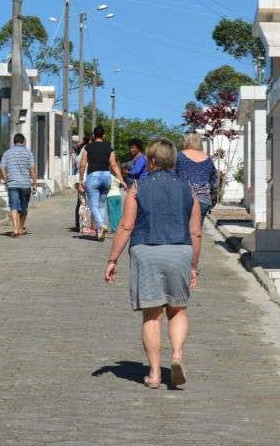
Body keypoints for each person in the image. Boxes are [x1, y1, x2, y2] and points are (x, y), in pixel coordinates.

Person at [104, 139, 202, 389]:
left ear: (151, 161)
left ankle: (155, 374)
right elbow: (196, 232)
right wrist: (193, 265)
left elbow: (126, 226)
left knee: (152, 314)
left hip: (145, 251)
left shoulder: (137, 188)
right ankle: (177, 355)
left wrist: (112, 259)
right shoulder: (188, 190)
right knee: (178, 309)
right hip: (179, 250)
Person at [78, 126, 126, 241]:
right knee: (102, 205)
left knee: (93, 205)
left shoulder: (87, 147)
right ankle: (100, 233)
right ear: (103, 136)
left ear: (94, 136)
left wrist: (80, 179)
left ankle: (101, 225)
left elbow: (82, 164)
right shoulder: (109, 148)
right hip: (106, 177)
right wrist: (121, 180)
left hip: (93, 177)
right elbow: (114, 165)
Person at [0, 133, 36, 237]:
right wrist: (35, 184)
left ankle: (15, 230)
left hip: (12, 184)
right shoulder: (28, 153)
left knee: (14, 207)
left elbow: (2, 167)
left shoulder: (7, 153)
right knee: (24, 208)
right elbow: (32, 169)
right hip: (25, 184)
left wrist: (6, 178)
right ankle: (19, 228)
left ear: (14, 142)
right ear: (23, 142)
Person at [173, 132, 218, 216]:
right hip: (203, 200)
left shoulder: (179, 156)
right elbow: (214, 182)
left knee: (183, 228)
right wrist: (213, 199)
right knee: (197, 228)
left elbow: (172, 177)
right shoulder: (208, 159)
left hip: (183, 199)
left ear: (186, 141)